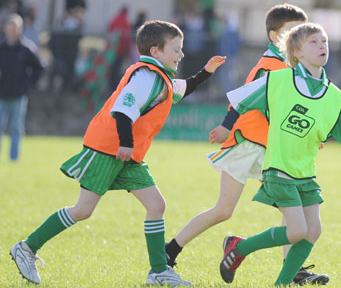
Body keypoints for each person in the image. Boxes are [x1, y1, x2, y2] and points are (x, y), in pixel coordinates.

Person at [10, 20, 226, 286]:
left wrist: (207, 71)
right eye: (176, 49)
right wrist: (125, 142)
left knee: (156, 205)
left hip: (127, 153)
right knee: (82, 210)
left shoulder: (161, 78)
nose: (181, 55)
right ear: (156, 51)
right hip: (109, 148)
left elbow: (185, 87)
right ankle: (27, 248)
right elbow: (122, 111)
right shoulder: (146, 76)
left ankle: (159, 272)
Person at [165, 4, 328, 285]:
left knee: (295, 212)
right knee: (223, 210)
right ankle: (170, 250)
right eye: (293, 31)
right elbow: (244, 97)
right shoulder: (270, 65)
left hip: (273, 150)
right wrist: (226, 125)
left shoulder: (297, 69)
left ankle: (296, 272)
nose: (300, 35)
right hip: (247, 143)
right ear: (274, 35)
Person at [218, 22, 341, 286]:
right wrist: (226, 126)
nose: (322, 46)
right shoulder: (279, 80)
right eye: (314, 42)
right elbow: (241, 99)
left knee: (313, 231)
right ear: (296, 52)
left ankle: (280, 282)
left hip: (305, 174)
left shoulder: (332, 95)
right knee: (296, 231)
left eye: (325, 42)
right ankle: (240, 248)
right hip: (278, 169)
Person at [0, 13, 43, 161]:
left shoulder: (26, 48)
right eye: (10, 26)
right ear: (5, 28)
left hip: (18, 95)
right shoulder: (1, 47)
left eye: (16, 27)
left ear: (20, 29)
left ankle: (14, 158)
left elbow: (40, 67)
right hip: (1, 94)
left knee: (16, 129)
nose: (12, 30)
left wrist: (28, 84)